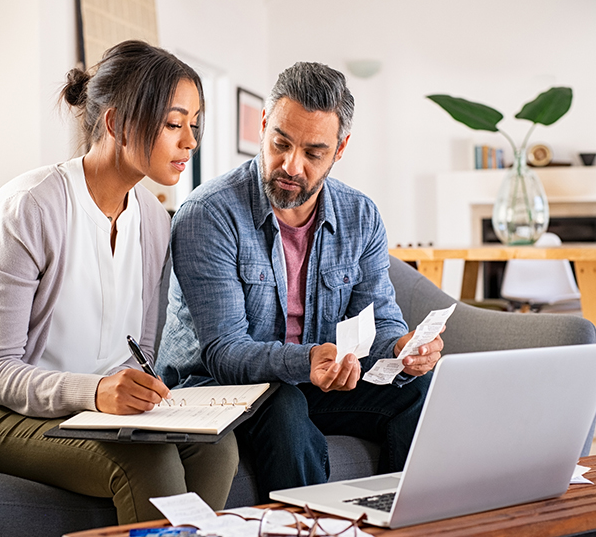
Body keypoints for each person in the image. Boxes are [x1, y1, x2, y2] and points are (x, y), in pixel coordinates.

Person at [0, 40, 239, 524]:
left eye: (194, 125)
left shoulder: (157, 222)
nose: (190, 141)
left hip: (92, 414)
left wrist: (144, 396)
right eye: (173, 123)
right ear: (117, 123)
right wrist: (96, 392)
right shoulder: (29, 207)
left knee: (217, 447)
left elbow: (137, 350)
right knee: (150, 460)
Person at [156, 61, 443, 502]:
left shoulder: (360, 215)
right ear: (264, 125)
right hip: (214, 388)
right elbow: (223, 353)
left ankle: (400, 524)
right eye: (280, 143)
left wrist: (402, 348)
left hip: (311, 380)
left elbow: (381, 319)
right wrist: (308, 360)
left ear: (339, 149)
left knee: (418, 391)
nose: (291, 165)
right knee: (285, 405)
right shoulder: (209, 214)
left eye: (313, 153)